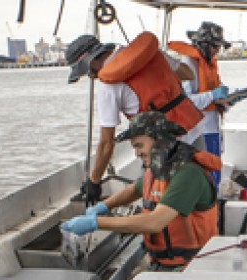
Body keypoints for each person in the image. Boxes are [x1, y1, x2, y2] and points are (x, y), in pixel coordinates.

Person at [61, 111, 220, 271]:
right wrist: (103, 206)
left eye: (139, 145)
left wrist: (95, 223)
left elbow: (154, 223)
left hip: (194, 266)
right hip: (164, 262)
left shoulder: (188, 173)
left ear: (159, 141)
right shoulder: (161, 167)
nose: (136, 153)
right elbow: (136, 188)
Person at [65, 32, 205, 206]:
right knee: (197, 196)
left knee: (159, 205)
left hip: (165, 148)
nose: (91, 77)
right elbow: (188, 74)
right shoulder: (150, 54)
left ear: (91, 62)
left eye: (86, 72)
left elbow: (107, 143)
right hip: (194, 129)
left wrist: (94, 182)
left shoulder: (108, 86)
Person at [168, 22, 232, 188]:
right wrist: (213, 95)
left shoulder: (207, 63)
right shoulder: (188, 64)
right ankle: (206, 209)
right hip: (199, 132)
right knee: (206, 177)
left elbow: (209, 97)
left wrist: (225, 102)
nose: (218, 51)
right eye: (216, 46)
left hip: (212, 128)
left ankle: (213, 207)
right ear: (204, 44)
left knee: (214, 171)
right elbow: (186, 101)